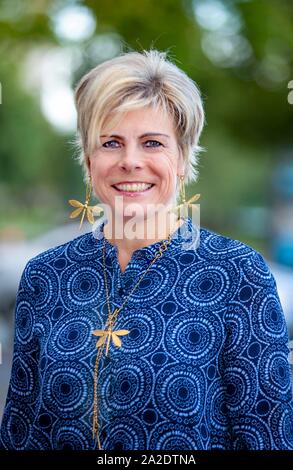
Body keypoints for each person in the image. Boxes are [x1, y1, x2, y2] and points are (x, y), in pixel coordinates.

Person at [1, 49, 293, 451]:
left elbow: (269, 438)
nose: (130, 161)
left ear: (183, 158)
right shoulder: (44, 276)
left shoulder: (239, 274)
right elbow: (20, 434)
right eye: (111, 143)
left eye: (152, 142)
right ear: (88, 159)